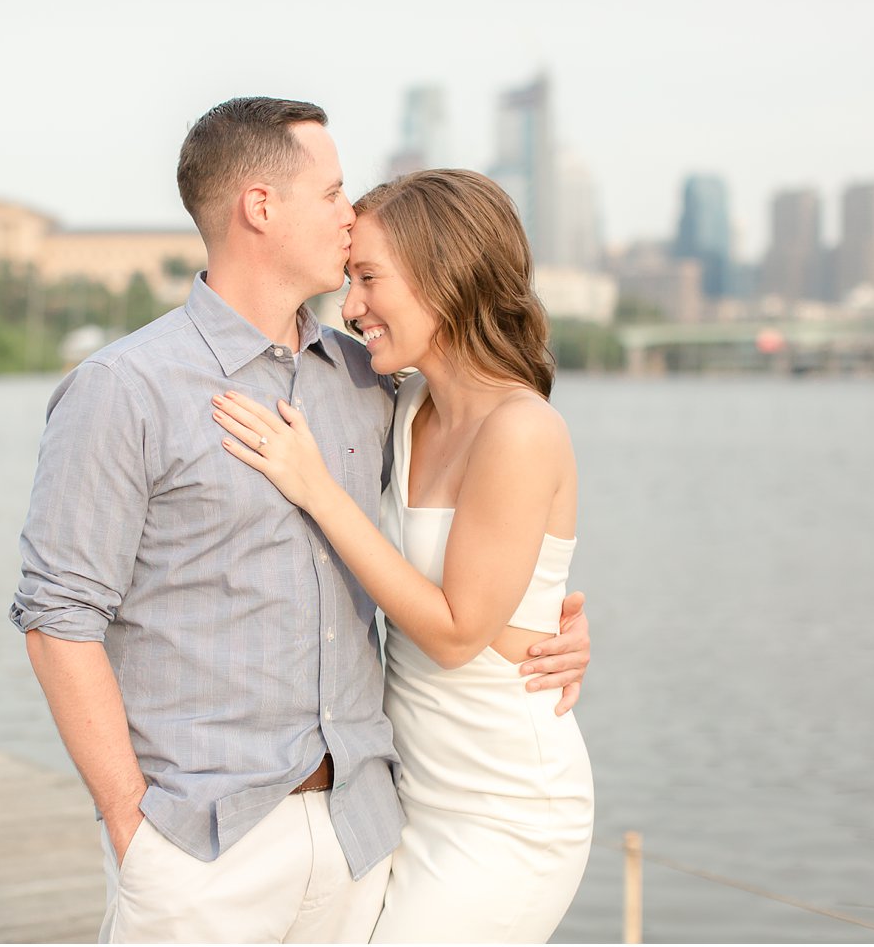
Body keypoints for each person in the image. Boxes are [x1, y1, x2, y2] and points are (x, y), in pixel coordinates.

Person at [10, 99, 589, 944]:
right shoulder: (124, 388)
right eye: (333, 192)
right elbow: (58, 617)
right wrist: (133, 827)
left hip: (364, 829)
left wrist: (551, 619)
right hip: (203, 841)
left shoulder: (370, 383)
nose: (348, 216)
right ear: (259, 207)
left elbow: (487, 540)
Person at [212, 168, 593, 942]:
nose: (351, 308)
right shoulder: (406, 405)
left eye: (368, 279)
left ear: (444, 278)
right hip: (406, 792)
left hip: (506, 807)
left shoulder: (521, 429)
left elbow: (455, 634)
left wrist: (319, 489)